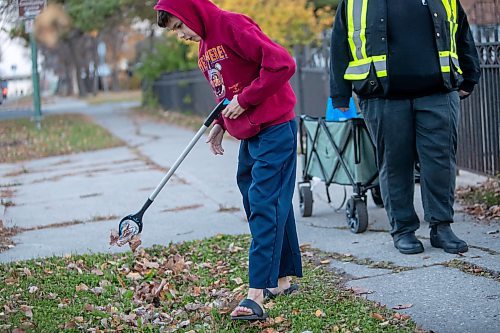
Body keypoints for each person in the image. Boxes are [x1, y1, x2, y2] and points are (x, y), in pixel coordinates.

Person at [154, 0, 303, 320]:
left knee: (265, 204)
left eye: (180, 25)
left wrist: (245, 100)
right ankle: (281, 280)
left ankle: (256, 296)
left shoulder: (233, 26)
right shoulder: (204, 49)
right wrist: (221, 123)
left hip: (275, 128)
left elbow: (282, 64)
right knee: (264, 201)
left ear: (191, 12)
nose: (180, 34)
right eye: (174, 31)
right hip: (249, 135)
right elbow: (226, 93)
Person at [330, 0, 480, 255]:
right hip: (381, 96)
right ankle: (403, 231)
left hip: (438, 93)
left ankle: (441, 227)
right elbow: (340, 43)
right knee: (395, 163)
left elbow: (461, 32)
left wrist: (470, 74)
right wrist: (339, 95)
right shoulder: (357, 2)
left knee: (440, 163)